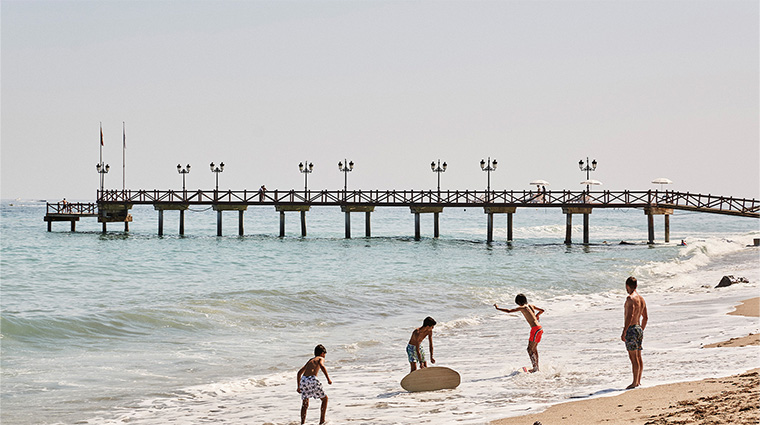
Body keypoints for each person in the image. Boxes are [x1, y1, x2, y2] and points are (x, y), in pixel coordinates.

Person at [494, 294, 545, 372]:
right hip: (539, 328)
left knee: (529, 349)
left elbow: (509, 311)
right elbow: (542, 310)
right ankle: (536, 367)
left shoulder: (523, 307)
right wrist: (536, 316)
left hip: (535, 329)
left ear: (518, 302)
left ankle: (535, 368)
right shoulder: (531, 305)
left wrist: (498, 308)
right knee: (534, 349)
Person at [622, 276, 648, 389]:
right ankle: (638, 381)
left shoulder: (630, 298)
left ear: (627, 286)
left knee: (633, 358)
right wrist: (640, 329)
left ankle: (634, 382)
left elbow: (629, 316)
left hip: (631, 329)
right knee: (638, 356)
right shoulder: (641, 299)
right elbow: (645, 317)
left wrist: (624, 331)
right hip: (638, 328)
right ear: (636, 286)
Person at [297, 344, 332, 425]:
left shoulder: (310, 360)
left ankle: (302, 423)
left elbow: (299, 373)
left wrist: (298, 386)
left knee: (305, 403)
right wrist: (328, 379)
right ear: (322, 353)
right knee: (324, 399)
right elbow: (322, 367)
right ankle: (322, 421)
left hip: (304, 380)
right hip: (312, 379)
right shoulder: (321, 358)